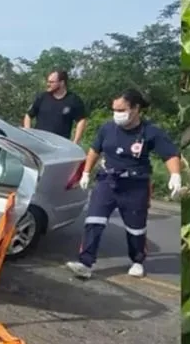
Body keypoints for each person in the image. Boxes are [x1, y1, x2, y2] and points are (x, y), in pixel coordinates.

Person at [65, 89, 183, 280]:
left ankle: (137, 260)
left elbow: (170, 154)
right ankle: (85, 263)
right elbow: (95, 150)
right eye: (115, 110)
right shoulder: (107, 128)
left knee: (135, 229)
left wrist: (175, 175)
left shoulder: (151, 131)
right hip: (107, 180)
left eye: (122, 110)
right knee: (93, 221)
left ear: (136, 108)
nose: (117, 114)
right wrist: (86, 172)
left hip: (135, 185)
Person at [23, 69, 87, 142]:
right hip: (39, 142)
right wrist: (28, 133)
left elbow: (81, 120)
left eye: (52, 82)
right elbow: (28, 115)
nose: (48, 84)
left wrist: (75, 142)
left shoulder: (73, 100)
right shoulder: (42, 97)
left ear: (62, 83)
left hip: (60, 145)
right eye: (48, 81)